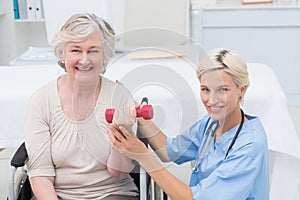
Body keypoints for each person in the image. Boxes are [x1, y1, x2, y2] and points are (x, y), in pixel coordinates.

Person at [109, 48, 270, 199]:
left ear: (242, 89)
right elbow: (169, 151)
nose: (212, 100)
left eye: (223, 90)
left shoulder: (250, 145)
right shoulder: (212, 124)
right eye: (206, 89)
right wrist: (138, 114)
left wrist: (143, 156)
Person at [25, 13, 139, 200]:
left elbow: (118, 172)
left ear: (105, 55)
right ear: (62, 53)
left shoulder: (118, 96)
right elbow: (41, 175)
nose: (84, 60)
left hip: (112, 193)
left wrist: (123, 129)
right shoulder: (42, 100)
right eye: (76, 50)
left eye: (93, 51)